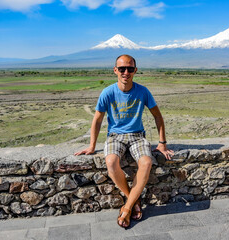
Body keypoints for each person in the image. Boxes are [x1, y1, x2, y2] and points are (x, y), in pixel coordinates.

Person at [74, 54, 174, 228]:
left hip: (137, 136)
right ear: (115, 70)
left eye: (129, 68)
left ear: (135, 70)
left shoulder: (143, 91)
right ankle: (133, 200)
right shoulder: (108, 92)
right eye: (122, 69)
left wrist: (162, 142)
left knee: (146, 162)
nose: (125, 72)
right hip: (115, 136)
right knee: (111, 162)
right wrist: (92, 146)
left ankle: (127, 208)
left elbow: (158, 116)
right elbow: (97, 120)